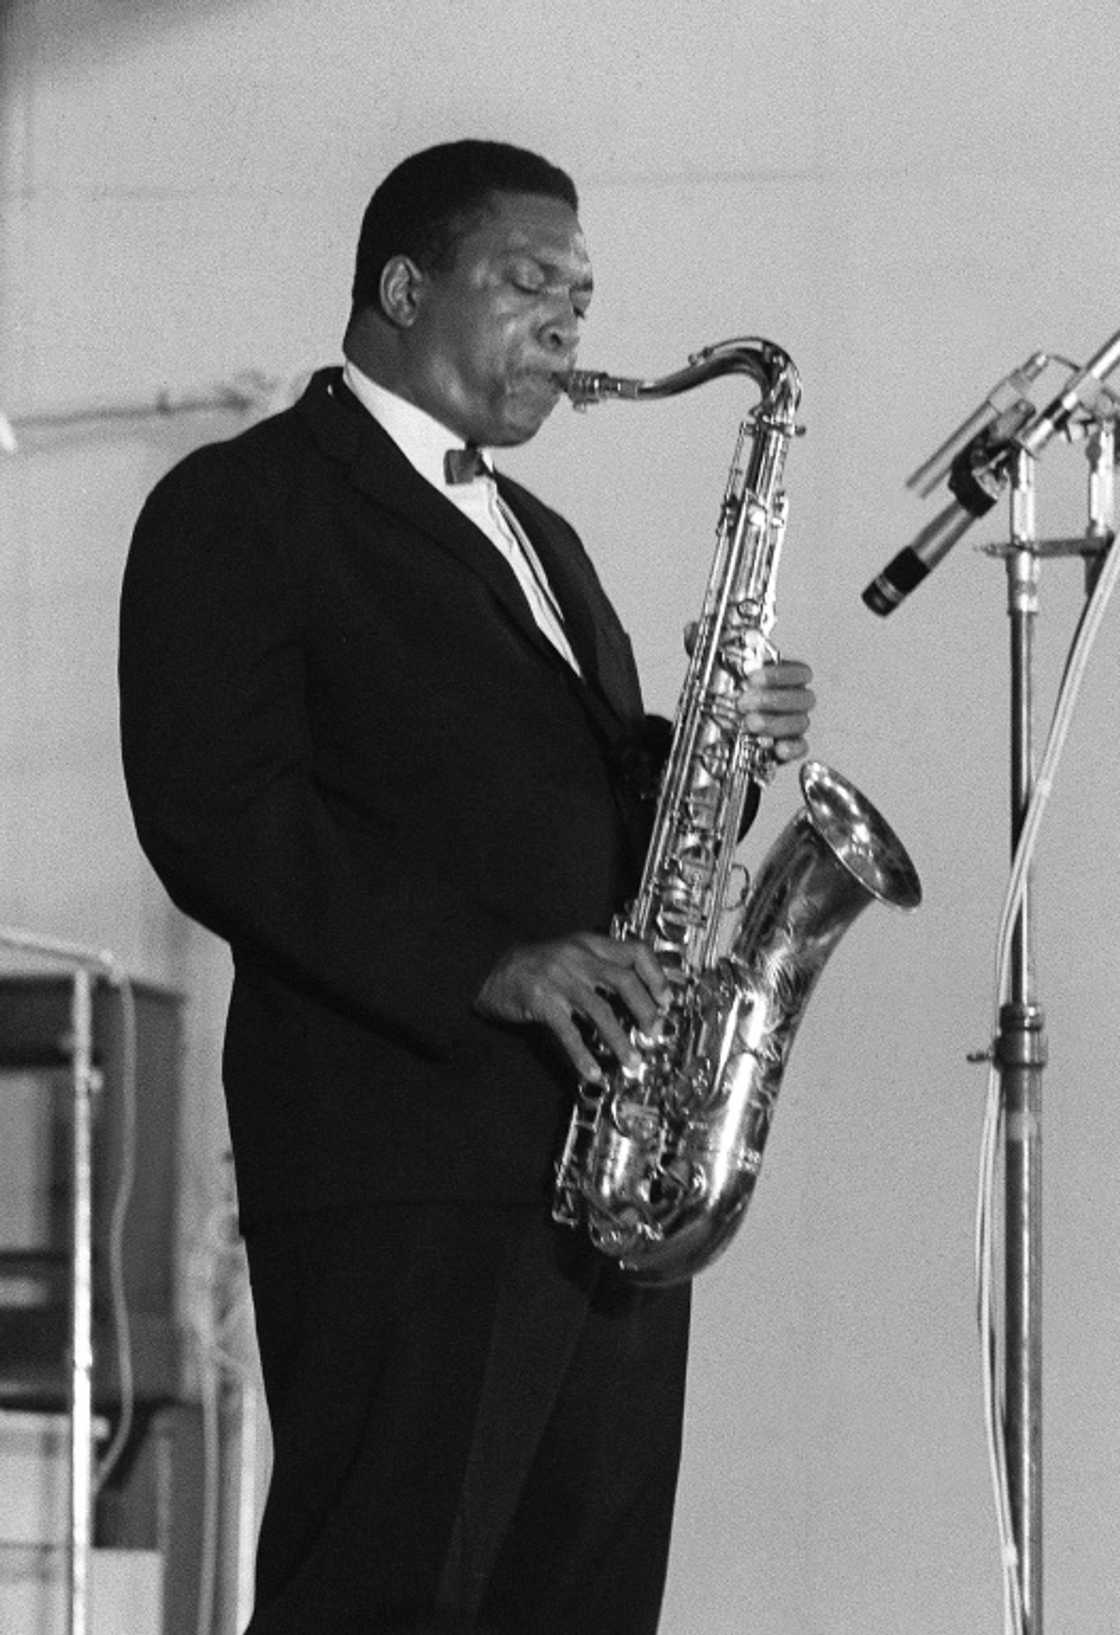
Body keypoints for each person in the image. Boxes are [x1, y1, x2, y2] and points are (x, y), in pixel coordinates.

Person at [119, 139, 815, 1635]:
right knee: (381, 1597)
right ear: (400, 287)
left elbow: (570, 822)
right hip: (406, 1164)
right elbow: (216, 815)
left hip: (606, 1167)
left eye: (582, 292)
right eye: (527, 281)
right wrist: (487, 965)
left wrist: (708, 757)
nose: (569, 323)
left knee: (581, 1601)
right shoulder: (241, 505)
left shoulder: (542, 538)